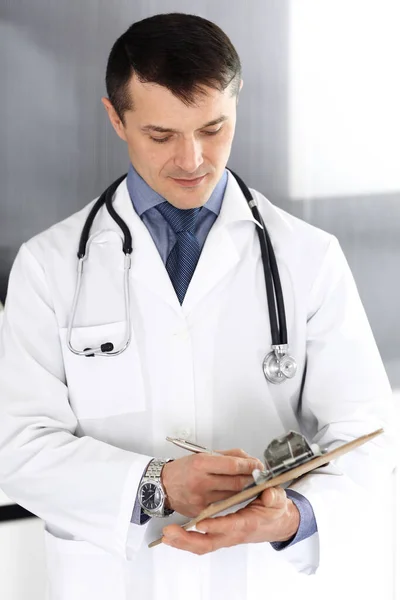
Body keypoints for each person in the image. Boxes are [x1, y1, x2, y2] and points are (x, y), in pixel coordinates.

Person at [0, 12, 395, 600]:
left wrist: (291, 518)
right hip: (113, 582)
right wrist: (155, 486)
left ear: (237, 103)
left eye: (214, 128)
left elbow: (366, 433)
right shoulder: (50, 266)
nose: (192, 160)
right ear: (116, 117)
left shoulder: (309, 257)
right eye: (162, 135)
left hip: (260, 579)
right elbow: (17, 443)